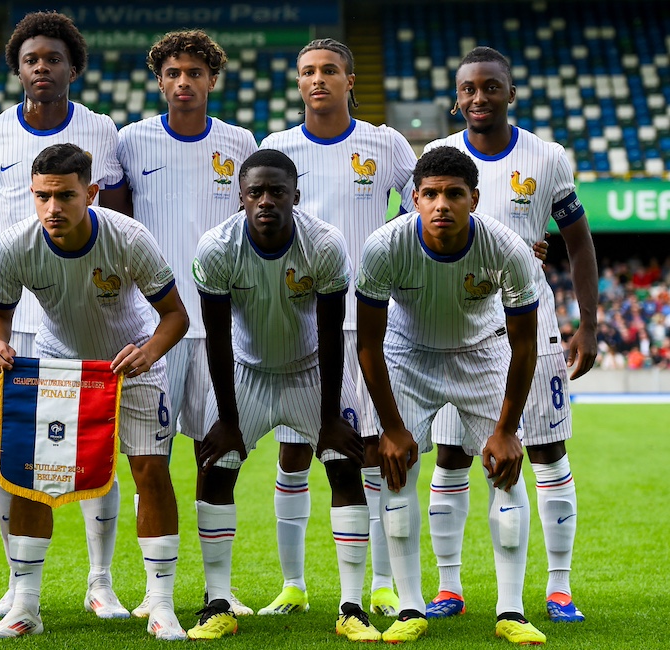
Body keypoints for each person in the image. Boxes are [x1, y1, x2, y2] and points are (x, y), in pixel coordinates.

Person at [0, 11, 130, 620]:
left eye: (54, 58)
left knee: (95, 446)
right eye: (31, 59)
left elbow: (119, 214)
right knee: (15, 456)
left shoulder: (100, 129)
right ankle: (17, 585)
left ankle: (101, 581)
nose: (42, 68)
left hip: (89, 314)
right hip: (16, 320)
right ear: (17, 69)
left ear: (72, 68)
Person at [0, 143, 189, 640]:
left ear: (91, 192)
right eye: (42, 196)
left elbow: (176, 316)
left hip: (128, 365)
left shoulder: (128, 237)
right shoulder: (15, 244)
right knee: (32, 478)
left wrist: (149, 352)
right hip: (58, 366)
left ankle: (161, 606)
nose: (52, 208)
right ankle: (25, 607)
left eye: (65, 196)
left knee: (150, 472)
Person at [422, 46, 598, 624]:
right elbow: (413, 233)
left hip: (534, 324)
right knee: (452, 456)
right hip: (457, 326)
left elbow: (579, 244)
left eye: (490, 87)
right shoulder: (438, 156)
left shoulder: (547, 157)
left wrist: (588, 325)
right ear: (457, 98)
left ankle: (559, 588)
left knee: (547, 452)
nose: (479, 97)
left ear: (510, 93)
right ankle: (449, 588)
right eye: (468, 89)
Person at [355, 145, 546, 645]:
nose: (442, 204)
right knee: (397, 471)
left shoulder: (506, 249)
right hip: (407, 353)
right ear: (415, 199)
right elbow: (368, 343)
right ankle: (410, 608)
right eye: (431, 194)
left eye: (454, 194)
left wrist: (506, 430)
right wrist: (391, 428)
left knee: (506, 473)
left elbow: (524, 346)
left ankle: (511, 610)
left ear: (474, 199)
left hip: (482, 353)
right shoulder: (384, 247)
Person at [189, 149, 377, 641]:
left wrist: (331, 417)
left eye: (277, 191)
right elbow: (217, 337)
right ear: (241, 197)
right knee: (215, 470)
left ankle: (351, 607)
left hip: (311, 369)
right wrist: (227, 420)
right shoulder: (217, 248)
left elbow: (332, 332)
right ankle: (218, 603)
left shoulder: (325, 244)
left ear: (296, 195)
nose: (266, 200)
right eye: (256, 192)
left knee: (345, 468)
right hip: (245, 372)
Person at [258, 38, 416, 618]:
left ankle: (382, 584)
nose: (318, 79)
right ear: (298, 83)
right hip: (297, 324)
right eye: (308, 71)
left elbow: (424, 207)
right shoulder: (277, 147)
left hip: (367, 325)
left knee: (371, 452)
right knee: (294, 452)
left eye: (330, 70)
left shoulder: (385, 143)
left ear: (351, 81)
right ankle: (293, 585)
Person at [116, 29, 258, 618]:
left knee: (216, 457)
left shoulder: (239, 141)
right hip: (152, 329)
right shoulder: (131, 140)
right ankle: (157, 593)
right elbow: (116, 226)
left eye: (194, 73)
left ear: (212, 80)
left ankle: (217, 590)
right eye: (172, 73)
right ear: (159, 81)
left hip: (220, 327)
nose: (183, 83)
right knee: (148, 462)